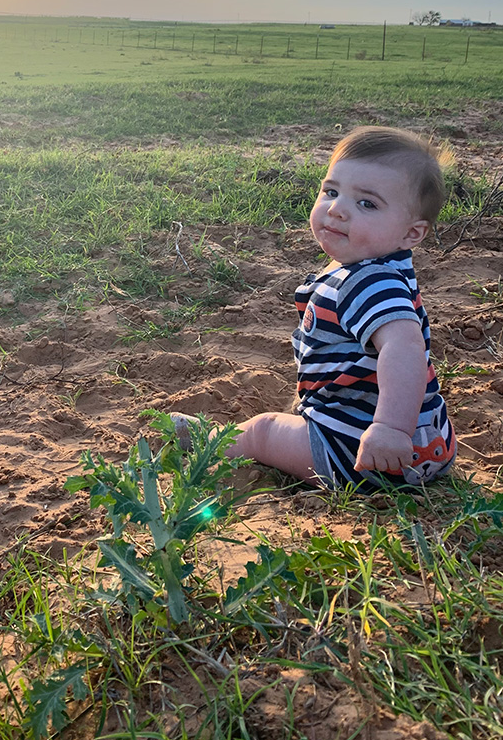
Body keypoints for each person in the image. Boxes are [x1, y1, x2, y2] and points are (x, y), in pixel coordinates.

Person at [173, 126, 456, 492]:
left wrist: (390, 429)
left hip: (362, 453)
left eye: (366, 203)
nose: (337, 210)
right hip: (428, 447)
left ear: (411, 233)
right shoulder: (384, 270)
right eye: (331, 191)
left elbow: (405, 349)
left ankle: (210, 444)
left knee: (263, 431)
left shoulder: (368, 281)